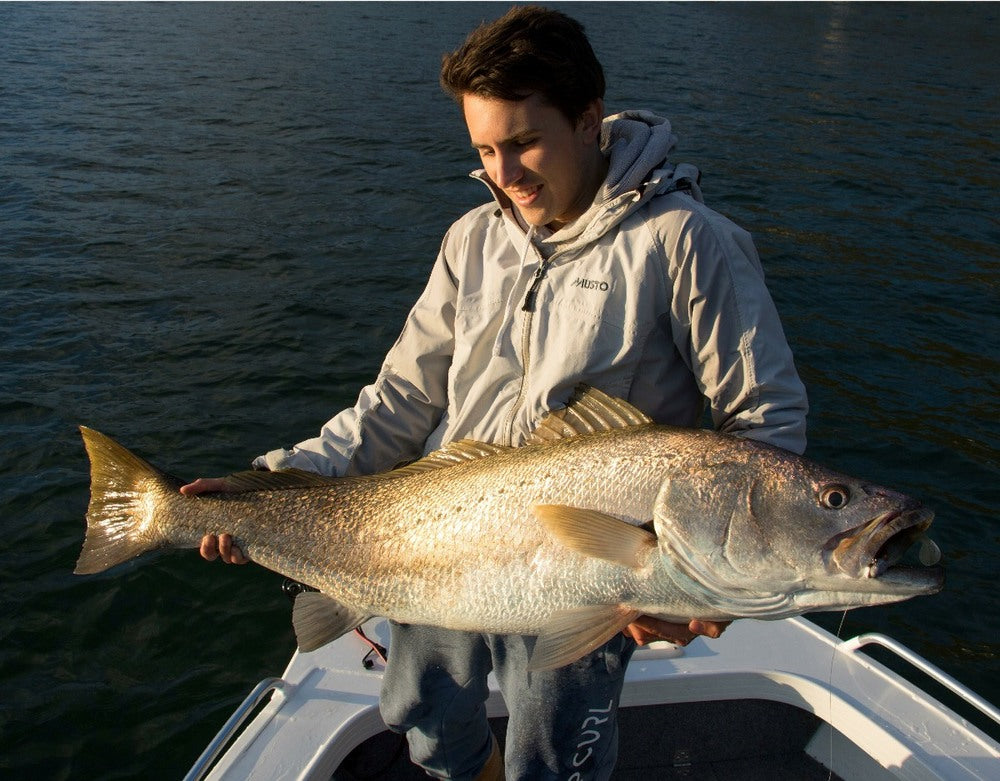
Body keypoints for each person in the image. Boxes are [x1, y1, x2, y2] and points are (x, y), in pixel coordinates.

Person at [183, 6, 808, 780]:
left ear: (588, 120)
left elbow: (764, 426)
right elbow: (399, 400)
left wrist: (709, 591)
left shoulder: (686, 242)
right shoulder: (471, 239)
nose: (505, 175)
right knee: (421, 711)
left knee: (554, 752)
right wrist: (270, 483)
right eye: (484, 149)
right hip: (444, 541)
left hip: (591, 572)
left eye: (523, 143)